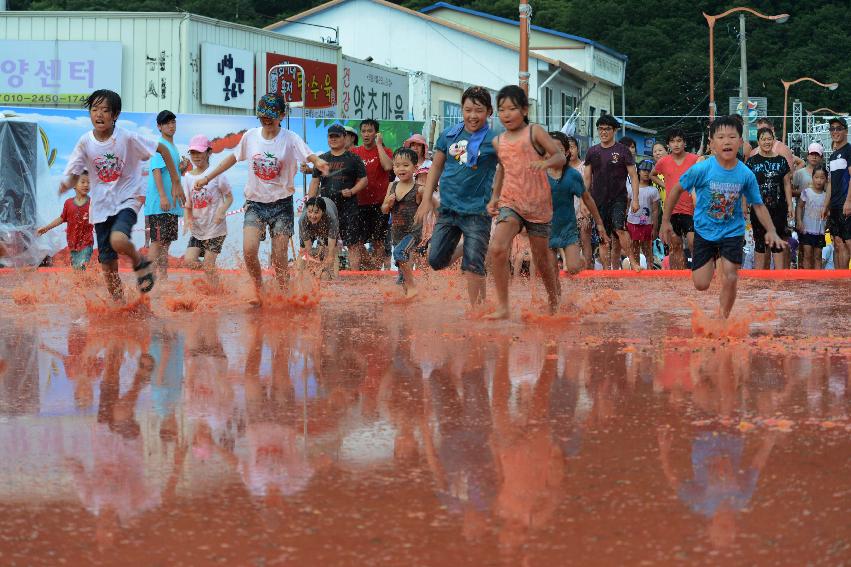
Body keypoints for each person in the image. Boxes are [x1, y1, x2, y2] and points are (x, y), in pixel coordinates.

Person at [193, 93, 329, 306]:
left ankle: (285, 293)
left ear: (282, 116)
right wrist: (207, 177)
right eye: (263, 116)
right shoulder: (251, 136)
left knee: (278, 255)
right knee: (249, 250)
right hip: (255, 204)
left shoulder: (290, 138)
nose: (266, 121)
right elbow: (231, 159)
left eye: (271, 117)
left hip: (282, 204)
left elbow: (309, 155)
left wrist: (318, 161)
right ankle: (259, 289)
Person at [60, 89, 183, 300]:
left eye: (105, 110)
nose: (99, 114)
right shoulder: (85, 141)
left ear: (115, 115)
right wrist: (66, 184)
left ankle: (139, 262)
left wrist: (176, 182)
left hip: (127, 199)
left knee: (118, 239)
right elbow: (74, 170)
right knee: (108, 267)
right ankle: (120, 304)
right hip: (100, 207)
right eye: (94, 109)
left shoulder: (126, 137)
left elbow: (161, 148)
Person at [661, 115, 786, 319]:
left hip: (732, 231)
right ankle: (713, 262)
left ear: (740, 142)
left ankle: (722, 316)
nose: (726, 141)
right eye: (720, 137)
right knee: (701, 284)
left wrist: (771, 230)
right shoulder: (703, 168)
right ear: (711, 143)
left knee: (730, 275)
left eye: (731, 137)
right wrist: (665, 221)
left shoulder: (745, 173)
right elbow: (676, 190)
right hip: (704, 230)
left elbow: (758, 204)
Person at [414, 86, 498, 308]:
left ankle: (477, 310)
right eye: (468, 110)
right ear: (462, 110)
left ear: (489, 111)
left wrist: (497, 197)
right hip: (448, 210)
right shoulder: (448, 135)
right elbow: (436, 168)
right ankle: (463, 249)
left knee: (474, 265)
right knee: (435, 261)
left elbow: (509, 167)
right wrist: (426, 200)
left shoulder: (495, 139)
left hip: (477, 212)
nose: (472, 115)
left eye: (478, 110)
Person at [486, 85, 566, 319]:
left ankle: (554, 301)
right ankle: (503, 306)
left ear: (524, 109)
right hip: (511, 202)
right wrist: (494, 197)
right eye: (502, 110)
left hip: (538, 204)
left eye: (512, 108)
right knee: (498, 248)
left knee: (542, 261)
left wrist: (546, 163)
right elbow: (502, 168)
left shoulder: (534, 132)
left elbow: (560, 157)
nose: (507, 114)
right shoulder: (498, 141)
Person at [547, 131, 608, 277]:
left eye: (559, 150)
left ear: (567, 152)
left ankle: (579, 260)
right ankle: (555, 299)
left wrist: (599, 223)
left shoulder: (572, 175)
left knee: (573, 267)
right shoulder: (539, 174)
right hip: (545, 229)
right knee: (550, 271)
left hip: (568, 229)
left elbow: (587, 199)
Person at [307, 123, 367, 269]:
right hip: (326, 207)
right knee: (327, 243)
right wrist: (310, 204)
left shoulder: (354, 159)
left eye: (336, 136)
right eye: (330, 136)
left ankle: (355, 276)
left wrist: (352, 191)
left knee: (352, 243)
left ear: (344, 137)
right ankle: (328, 272)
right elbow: (315, 183)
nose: (333, 139)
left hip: (349, 207)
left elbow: (364, 180)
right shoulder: (321, 159)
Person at [583, 114, 639, 270]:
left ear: (614, 130)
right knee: (603, 236)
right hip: (598, 200)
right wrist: (583, 202)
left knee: (619, 228)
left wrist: (635, 199)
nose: (603, 132)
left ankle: (633, 262)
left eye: (607, 129)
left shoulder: (623, 151)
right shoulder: (592, 152)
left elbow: (634, 176)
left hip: (618, 198)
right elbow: (587, 179)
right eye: (600, 129)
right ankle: (607, 270)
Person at [181, 134, 233, 286]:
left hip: (216, 228)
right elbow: (188, 204)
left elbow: (229, 198)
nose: (196, 156)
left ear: (209, 152)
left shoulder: (217, 175)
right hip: (198, 229)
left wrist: (221, 211)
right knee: (189, 261)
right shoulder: (188, 177)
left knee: (209, 264)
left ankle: (217, 290)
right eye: (193, 153)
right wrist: (187, 219)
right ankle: (212, 274)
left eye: (200, 152)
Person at [144, 110, 187, 281]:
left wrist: (181, 169)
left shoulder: (173, 147)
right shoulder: (159, 145)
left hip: (171, 203)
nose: (171, 126)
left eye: (173, 122)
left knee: (165, 243)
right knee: (157, 242)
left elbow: (171, 175)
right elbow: (156, 172)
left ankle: (162, 277)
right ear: (159, 126)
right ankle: (146, 279)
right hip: (160, 203)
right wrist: (162, 196)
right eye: (167, 123)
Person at [652, 129, 700, 269]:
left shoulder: (694, 159)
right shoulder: (663, 162)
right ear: (668, 145)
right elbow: (652, 174)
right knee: (675, 246)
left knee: (693, 243)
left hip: (691, 209)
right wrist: (666, 186)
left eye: (679, 141)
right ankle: (677, 278)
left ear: (685, 143)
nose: (676, 144)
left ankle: (697, 273)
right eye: (672, 141)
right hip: (672, 210)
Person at [745, 127, 792, 270]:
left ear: (773, 140)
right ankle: (760, 282)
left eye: (769, 139)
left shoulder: (781, 160)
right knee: (760, 243)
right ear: (758, 141)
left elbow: (786, 184)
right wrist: (745, 204)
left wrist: (790, 205)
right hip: (759, 209)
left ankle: (779, 281)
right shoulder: (752, 162)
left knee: (777, 242)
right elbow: (746, 185)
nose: (767, 142)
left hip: (778, 209)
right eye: (763, 139)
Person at [351, 118, 394, 269]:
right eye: (363, 131)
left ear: (376, 133)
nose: (366, 134)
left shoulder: (385, 151)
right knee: (357, 242)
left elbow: (388, 167)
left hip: (379, 204)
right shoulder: (355, 152)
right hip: (358, 204)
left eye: (370, 131)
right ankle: (369, 266)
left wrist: (379, 145)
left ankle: (375, 271)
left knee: (378, 241)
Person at [381, 148, 423, 298]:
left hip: (413, 233)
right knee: (400, 276)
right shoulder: (391, 186)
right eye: (397, 165)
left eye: (405, 165)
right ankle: (409, 297)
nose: (401, 168)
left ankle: (412, 287)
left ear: (415, 168)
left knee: (399, 253)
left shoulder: (419, 189)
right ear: (393, 168)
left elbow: (433, 204)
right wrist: (388, 203)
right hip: (397, 233)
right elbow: (384, 210)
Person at [38, 171, 94, 270]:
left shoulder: (92, 203)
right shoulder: (68, 203)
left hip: (86, 243)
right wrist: (46, 228)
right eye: (83, 182)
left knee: (82, 266)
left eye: (88, 182)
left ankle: (84, 283)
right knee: (76, 269)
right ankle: (82, 284)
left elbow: (99, 220)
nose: (86, 185)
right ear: (74, 185)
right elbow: (61, 218)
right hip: (72, 243)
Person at [626, 159, 661, 270]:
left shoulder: (653, 190)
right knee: (634, 247)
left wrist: (655, 228)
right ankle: (635, 269)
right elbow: (626, 206)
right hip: (632, 222)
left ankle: (650, 269)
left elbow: (656, 210)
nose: (646, 172)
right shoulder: (630, 188)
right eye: (643, 170)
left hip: (647, 224)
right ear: (638, 172)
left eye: (648, 170)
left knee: (647, 248)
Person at [827, 117, 851, 270]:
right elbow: (830, 183)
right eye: (832, 129)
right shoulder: (832, 155)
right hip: (835, 205)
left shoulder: (849, 150)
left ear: (846, 131)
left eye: (838, 128)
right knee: (838, 242)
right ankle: (842, 281)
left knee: (849, 242)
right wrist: (825, 206)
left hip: (845, 203)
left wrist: (849, 201)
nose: (835, 131)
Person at [296, 196, 340, 278]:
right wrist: (314, 265)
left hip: (328, 220)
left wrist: (322, 267)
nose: (312, 216)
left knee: (331, 251)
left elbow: (331, 252)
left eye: (316, 212)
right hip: (308, 226)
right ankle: (298, 277)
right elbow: (308, 249)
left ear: (323, 212)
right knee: (303, 251)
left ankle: (335, 279)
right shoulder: (303, 220)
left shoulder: (331, 219)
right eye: (310, 212)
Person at [796, 166, 829, 269]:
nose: (819, 180)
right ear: (812, 177)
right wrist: (799, 221)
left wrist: (827, 224)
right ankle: (807, 279)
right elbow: (799, 207)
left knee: (818, 256)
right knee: (807, 255)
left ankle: (817, 280)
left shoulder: (826, 196)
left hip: (819, 231)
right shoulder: (806, 192)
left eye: (822, 178)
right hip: (807, 230)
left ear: (826, 180)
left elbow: (828, 212)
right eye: (816, 177)